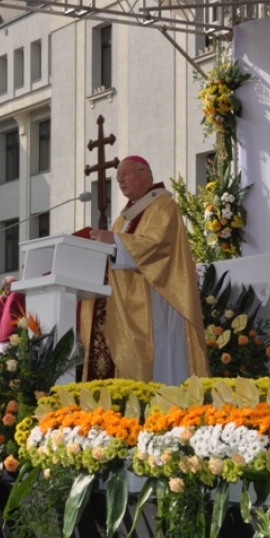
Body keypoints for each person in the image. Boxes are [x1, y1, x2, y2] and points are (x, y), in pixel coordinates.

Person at [87, 155, 208, 384]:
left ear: (145, 174)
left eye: (126, 174)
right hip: (129, 303)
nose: (120, 180)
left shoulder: (163, 205)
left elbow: (157, 246)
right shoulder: (124, 218)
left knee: (163, 355)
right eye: (118, 176)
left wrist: (114, 240)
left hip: (158, 295)